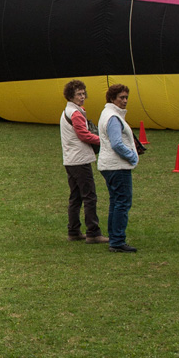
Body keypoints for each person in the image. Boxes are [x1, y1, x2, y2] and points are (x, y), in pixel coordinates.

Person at [60, 80, 107, 244]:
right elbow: (84, 135)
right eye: (79, 94)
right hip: (80, 160)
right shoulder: (76, 113)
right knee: (89, 197)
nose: (82, 96)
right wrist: (103, 140)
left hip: (70, 160)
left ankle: (73, 230)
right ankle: (93, 232)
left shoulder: (68, 110)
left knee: (75, 197)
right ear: (71, 96)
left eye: (83, 93)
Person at [97, 83, 141, 252]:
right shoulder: (113, 117)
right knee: (122, 202)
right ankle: (117, 240)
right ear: (112, 99)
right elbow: (116, 143)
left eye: (126, 98)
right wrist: (132, 156)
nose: (124, 101)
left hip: (109, 164)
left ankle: (114, 237)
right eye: (121, 98)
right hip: (117, 165)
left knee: (115, 201)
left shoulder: (107, 113)